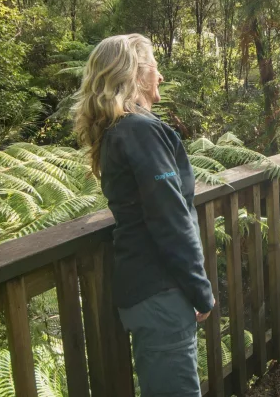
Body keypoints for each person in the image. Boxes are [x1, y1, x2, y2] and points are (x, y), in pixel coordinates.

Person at [73, 34, 215, 397]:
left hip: (147, 290)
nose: (161, 77)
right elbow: (170, 217)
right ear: (135, 73)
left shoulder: (121, 130)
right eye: (155, 66)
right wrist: (201, 291)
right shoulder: (139, 130)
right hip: (161, 292)